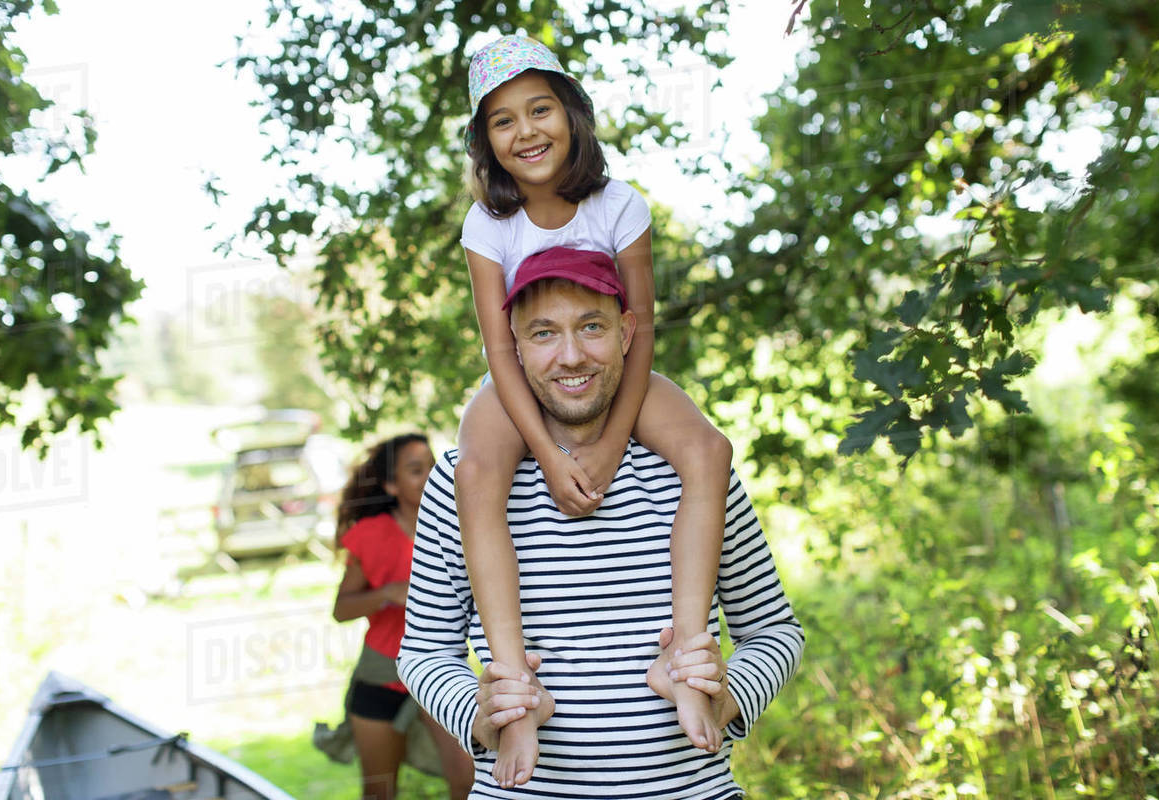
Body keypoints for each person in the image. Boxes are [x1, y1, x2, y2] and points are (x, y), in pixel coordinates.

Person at [399, 249, 805, 798]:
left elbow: (775, 630)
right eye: (543, 334)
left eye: (591, 327)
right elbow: (423, 652)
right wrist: (483, 712)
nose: (570, 356)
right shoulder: (461, 483)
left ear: (626, 332)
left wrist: (726, 693)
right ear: (512, 347)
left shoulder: (694, 471)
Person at [454, 33, 734, 787]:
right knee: (476, 467)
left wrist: (609, 444)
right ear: (487, 143)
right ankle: (516, 695)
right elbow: (500, 348)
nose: (526, 132)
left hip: (615, 368)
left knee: (708, 451)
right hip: (522, 375)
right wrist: (545, 454)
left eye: (540, 109)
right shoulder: (488, 225)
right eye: (503, 122)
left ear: (572, 114)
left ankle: (685, 660)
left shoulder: (620, 205)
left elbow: (639, 331)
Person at [331, 435, 474, 800]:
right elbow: (341, 609)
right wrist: (386, 593)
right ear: (392, 485)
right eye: (415, 470)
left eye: (432, 465)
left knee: (469, 782)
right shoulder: (371, 534)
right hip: (381, 672)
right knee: (379, 792)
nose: (429, 475)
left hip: (443, 667)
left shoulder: (461, 526)